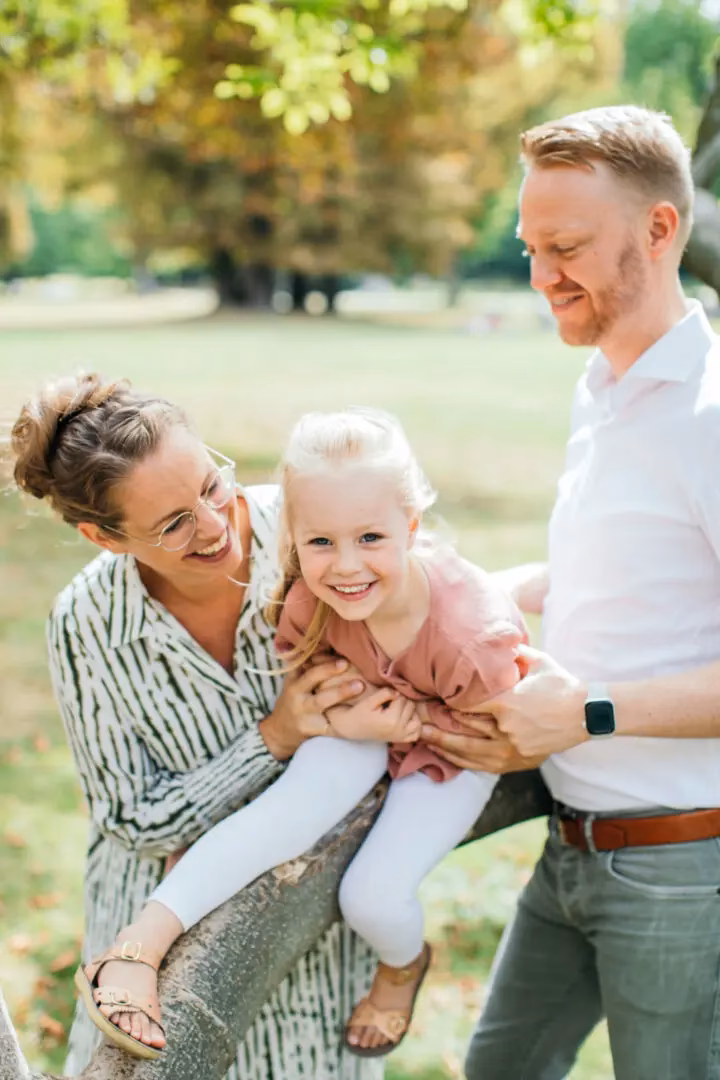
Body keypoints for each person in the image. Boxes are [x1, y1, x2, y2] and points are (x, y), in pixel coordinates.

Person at [68, 405, 529, 1061]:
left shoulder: (471, 637)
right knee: (284, 811)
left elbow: (502, 728)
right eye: (320, 543)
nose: (345, 567)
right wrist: (351, 718)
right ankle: (138, 947)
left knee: (372, 896)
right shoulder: (310, 595)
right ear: (293, 537)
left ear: (411, 527)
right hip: (367, 714)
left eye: (371, 538)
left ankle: (402, 965)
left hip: (449, 745)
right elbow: (316, 665)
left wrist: (417, 722)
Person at [416, 105, 720, 1080]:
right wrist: (493, 593)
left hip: (680, 868)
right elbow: (637, 571)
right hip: (571, 848)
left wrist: (583, 713)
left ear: (660, 229)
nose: (541, 275)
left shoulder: (709, 417)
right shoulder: (604, 385)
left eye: (568, 247)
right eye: (530, 246)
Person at [10, 373, 390, 1080]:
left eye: (212, 486)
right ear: (104, 536)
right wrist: (275, 736)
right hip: (154, 943)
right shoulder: (88, 623)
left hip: (310, 922)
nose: (215, 526)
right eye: (173, 524)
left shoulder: (312, 536)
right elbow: (131, 817)